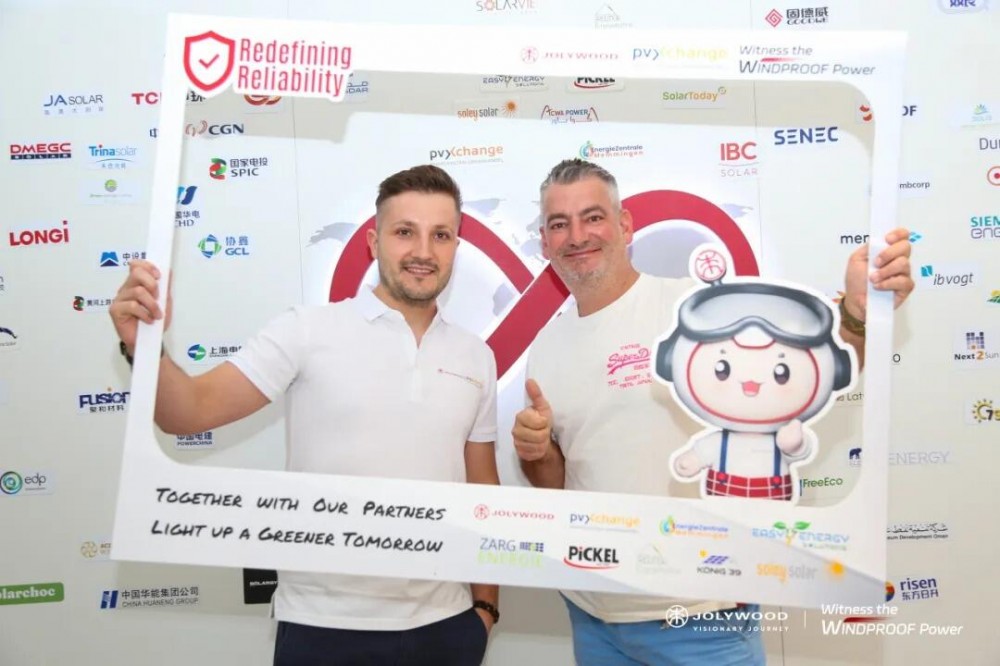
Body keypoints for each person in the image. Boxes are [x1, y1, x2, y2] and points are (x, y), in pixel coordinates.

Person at [512, 158, 914, 665]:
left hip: (701, 617)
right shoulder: (546, 347)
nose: (577, 236)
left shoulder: (694, 307)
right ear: (545, 242)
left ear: (625, 225)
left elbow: (811, 366)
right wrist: (537, 451)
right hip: (593, 615)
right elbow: (560, 481)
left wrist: (856, 315)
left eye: (593, 217)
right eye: (559, 224)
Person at [111, 165, 500, 666]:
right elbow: (186, 412)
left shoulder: (476, 356)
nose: (423, 251)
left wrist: (485, 608)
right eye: (405, 232)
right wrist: (143, 345)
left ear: (455, 247)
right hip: (324, 626)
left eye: (440, 235)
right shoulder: (307, 330)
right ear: (373, 242)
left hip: (446, 626)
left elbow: (483, 489)